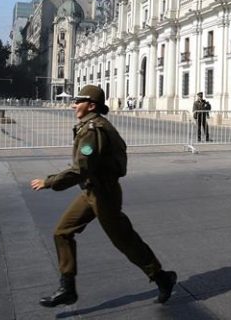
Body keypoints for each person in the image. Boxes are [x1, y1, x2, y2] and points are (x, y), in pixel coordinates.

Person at [30, 85, 177, 307]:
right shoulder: (90, 125)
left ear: (91, 106)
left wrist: (49, 182)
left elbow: (81, 168)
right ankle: (67, 288)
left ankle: (162, 277)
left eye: (78, 101)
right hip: (92, 191)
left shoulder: (93, 130)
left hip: (103, 194)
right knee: (62, 232)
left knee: (124, 240)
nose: (73, 105)